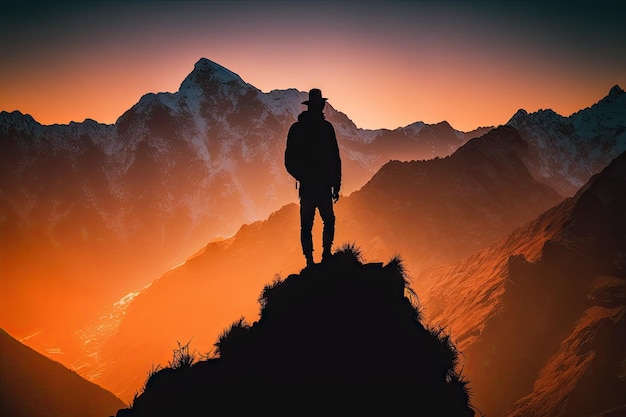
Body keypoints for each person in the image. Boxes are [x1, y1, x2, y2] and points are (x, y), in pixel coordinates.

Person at [285, 88, 342, 267]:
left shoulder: (297, 129)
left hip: (308, 186)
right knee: (328, 220)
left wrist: (301, 176)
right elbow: (335, 157)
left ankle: (310, 261)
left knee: (306, 225)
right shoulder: (326, 129)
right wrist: (336, 183)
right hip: (323, 185)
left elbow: (289, 160)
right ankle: (326, 255)